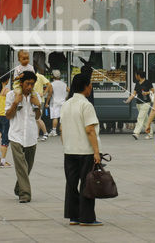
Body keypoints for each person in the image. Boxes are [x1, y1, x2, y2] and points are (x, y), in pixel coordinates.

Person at [60, 72, 102, 226]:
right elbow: (90, 129)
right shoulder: (86, 105)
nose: (91, 87)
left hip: (69, 150)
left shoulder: (66, 104)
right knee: (87, 184)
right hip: (85, 151)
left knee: (71, 184)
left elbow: (62, 129)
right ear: (85, 86)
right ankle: (87, 218)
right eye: (90, 84)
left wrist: (66, 145)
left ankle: (73, 216)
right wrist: (96, 151)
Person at [5, 71, 41, 203]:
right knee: (21, 166)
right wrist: (15, 103)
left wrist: (38, 105)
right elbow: (8, 116)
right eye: (27, 83)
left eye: (32, 84)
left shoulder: (35, 96)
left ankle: (18, 187)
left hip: (31, 136)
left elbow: (37, 117)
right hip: (16, 135)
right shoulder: (11, 95)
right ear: (21, 83)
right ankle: (25, 194)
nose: (30, 87)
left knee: (28, 166)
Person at [124, 69, 154, 140]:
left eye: (136, 75)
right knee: (145, 120)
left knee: (140, 118)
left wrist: (146, 93)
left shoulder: (147, 82)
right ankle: (150, 133)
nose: (135, 76)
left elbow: (153, 91)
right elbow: (134, 94)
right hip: (138, 103)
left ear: (139, 75)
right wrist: (128, 100)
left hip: (146, 103)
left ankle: (136, 133)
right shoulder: (137, 83)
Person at [0, 74, 12, 167]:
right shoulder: (7, 91)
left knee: (5, 136)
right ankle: (3, 161)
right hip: (5, 116)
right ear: (7, 80)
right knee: (5, 138)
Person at [48, 70, 68, 137]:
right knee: (62, 117)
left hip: (55, 102)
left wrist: (46, 103)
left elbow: (49, 94)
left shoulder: (52, 84)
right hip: (63, 102)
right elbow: (69, 91)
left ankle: (54, 131)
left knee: (55, 117)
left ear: (53, 76)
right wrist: (66, 97)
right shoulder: (64, 84)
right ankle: (62, 131)